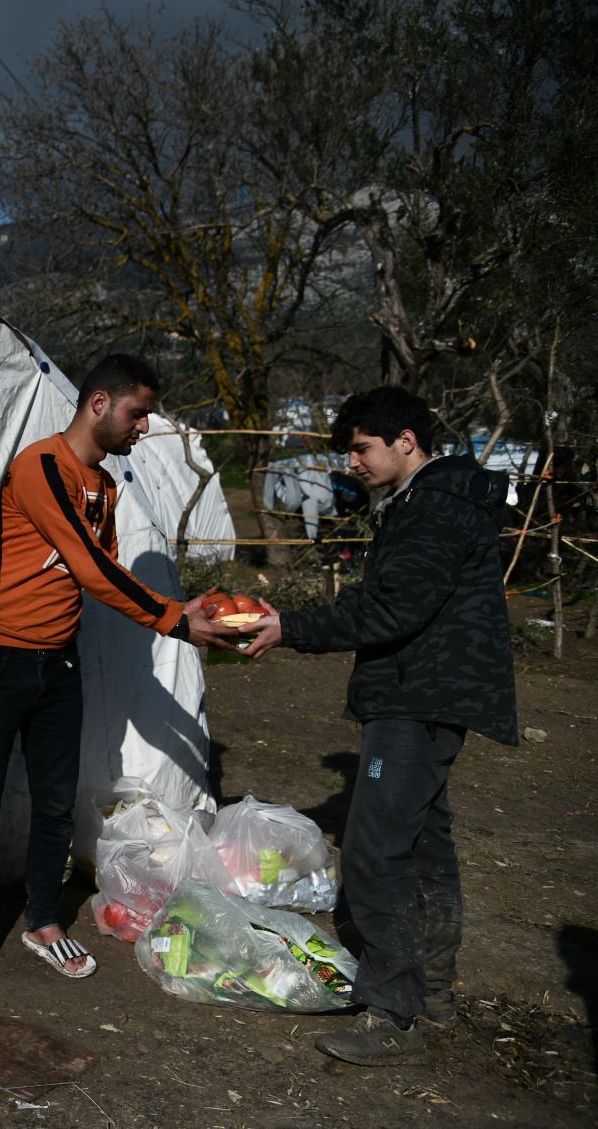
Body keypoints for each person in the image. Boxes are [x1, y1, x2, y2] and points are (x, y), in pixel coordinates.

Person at [0, 353, 235, 979]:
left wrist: (176, 610)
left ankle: (42, 920)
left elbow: (103, 575)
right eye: (137, 412)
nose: (143, 427)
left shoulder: (107, 486)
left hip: (58, 663)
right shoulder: (40, 466)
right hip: (4, 659)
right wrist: (177, 619)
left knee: (55, 802)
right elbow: (92, 568)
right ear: (99, 403)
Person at [241, 385, 517, 1065]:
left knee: (373, 852)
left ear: (406, 442)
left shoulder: (434, 509)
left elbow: (395, 610)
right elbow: (386, 598)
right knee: (425, 845)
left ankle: (393, 1013)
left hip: (417, 694)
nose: (353, 462)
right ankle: (435, 992)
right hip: (427, 692)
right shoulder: (426, 503)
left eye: (362, 448)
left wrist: (290, 628)